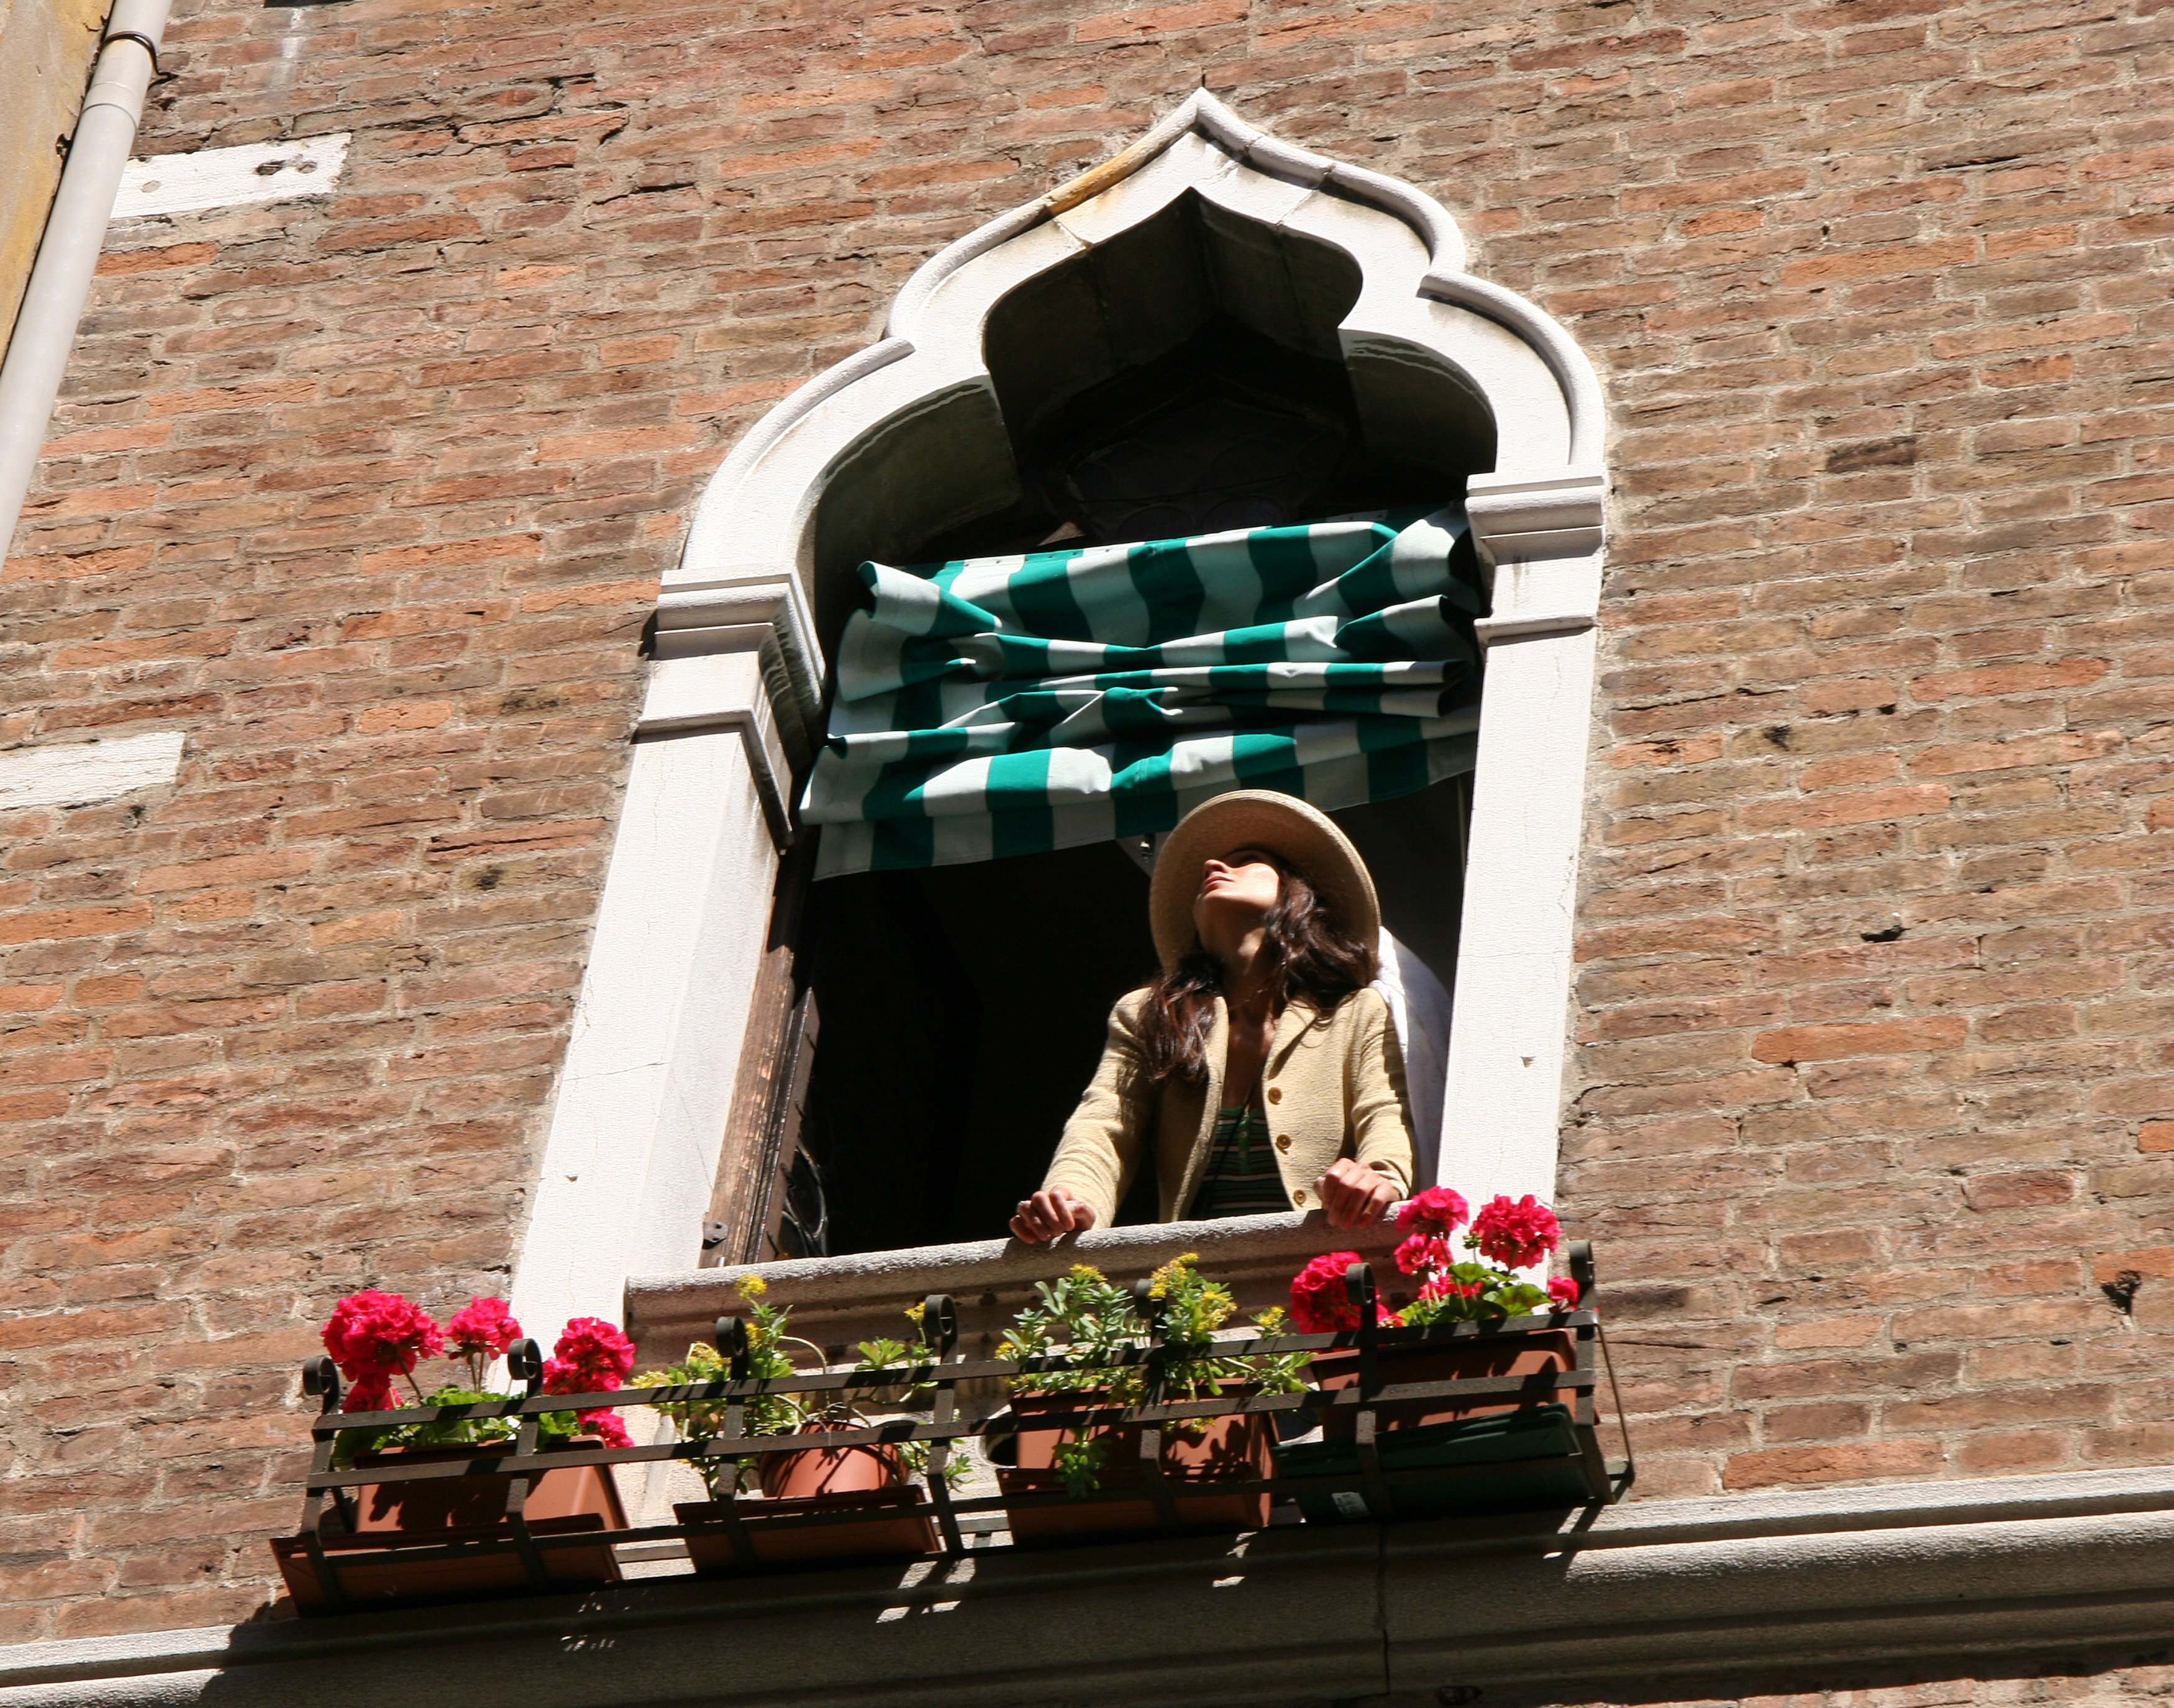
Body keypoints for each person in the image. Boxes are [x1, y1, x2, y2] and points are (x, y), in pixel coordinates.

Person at [1010, 790, 1416, 1243]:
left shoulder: (1356, 1011)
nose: (1211, 868)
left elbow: (1386, 1110)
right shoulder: (1146, 1015)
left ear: (1297, 894)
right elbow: (1104, 1124)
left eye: (1247, 858)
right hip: (1192, 1287)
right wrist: (1070, 1199)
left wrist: (1382, 1176)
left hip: (1325, 1273)